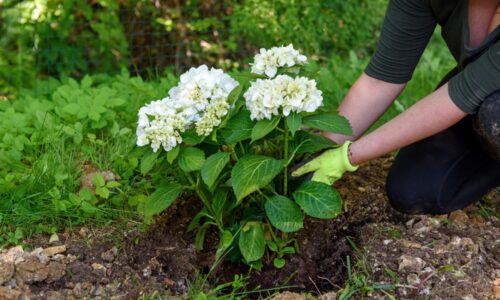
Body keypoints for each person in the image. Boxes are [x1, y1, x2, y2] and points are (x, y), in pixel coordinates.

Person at [292, 0, 500, 214]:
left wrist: (347, 157)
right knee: (413, 190)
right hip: (480, 90)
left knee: (495, 117)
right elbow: (381, 80)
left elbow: (461, 96)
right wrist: (320, 147)